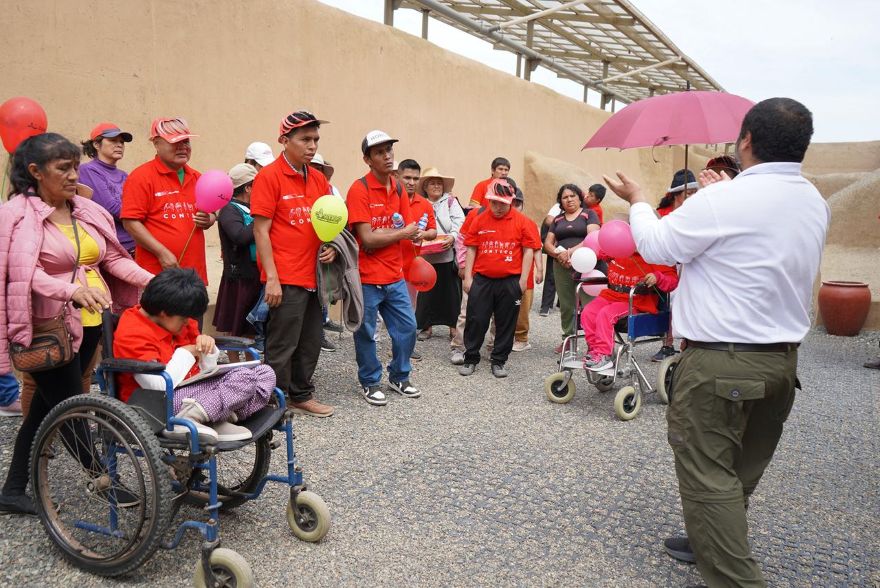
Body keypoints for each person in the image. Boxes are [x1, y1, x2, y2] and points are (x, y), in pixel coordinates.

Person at [604, 97, 830, 587]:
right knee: (740, 467)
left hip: (721, 363)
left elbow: (657, 245)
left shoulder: (722, 200)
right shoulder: (813, 201)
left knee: (709, 478)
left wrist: (639, 199)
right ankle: (708, 533)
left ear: (746, 140)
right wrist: (718, 198)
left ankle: (731, 570)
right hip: (780, 365)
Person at [0, 133, 153, 515]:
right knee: (72, 409)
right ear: (35, 172)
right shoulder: (16, 215)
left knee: (44, 409)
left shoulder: (84, 210)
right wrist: (69, 292)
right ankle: (104, 480)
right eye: (63, 168)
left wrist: (153, 280)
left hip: (88, 325)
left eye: (75, 167)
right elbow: (22, 273)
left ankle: (12, 490)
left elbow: (110, 260)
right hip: (45, 327)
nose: (73, 175)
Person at [114, 269, 274, 443]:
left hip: (195, 391)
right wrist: (187, 353)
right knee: (244, 378)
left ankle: (216, 416)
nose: (187, 323)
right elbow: (157, 385)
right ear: (164, 312)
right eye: (183, 319)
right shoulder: (132, 331)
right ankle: (192, 418)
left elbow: (206, 370)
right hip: (159, 403)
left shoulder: (177, 317)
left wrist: (208, 350)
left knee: (265, 373)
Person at [251, 110, 337, 417]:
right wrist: (271, 278)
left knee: (310, 340)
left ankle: (301, 394)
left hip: (315, 274)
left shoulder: (316, 178)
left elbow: (327, 223)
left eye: (315, 139)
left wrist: (331, 249)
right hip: (286, 276)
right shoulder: (268, 177)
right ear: (284, 141)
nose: (312, 145)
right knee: (281, 344)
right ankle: (273, 400)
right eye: (305, 139)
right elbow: (260, 230)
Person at [346, 130, 423, 406]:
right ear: (367, 159)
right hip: (366, 278)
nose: (387, 155)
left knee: (408, 328)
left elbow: (409, 228)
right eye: (379, 152)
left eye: (389, 150)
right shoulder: (359, 189)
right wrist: (396, 234)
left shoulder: (398, 186)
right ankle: (369, 381)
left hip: (394, 274)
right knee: (365, 332)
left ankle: (399, 376)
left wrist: (389, 235)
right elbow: (367, 238)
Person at [459, 179, 541, 378]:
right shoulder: (479, 218)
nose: (497, 207)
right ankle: (470, 357)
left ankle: (499, 360)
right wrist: (468, 277)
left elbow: (528, 251)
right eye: (493, 202)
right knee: (476, 319)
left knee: (506, 322)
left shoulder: (522, 222)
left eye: (502, 203)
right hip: (483, 279)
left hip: (510, 281)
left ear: (511, 201)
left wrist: (522, 280)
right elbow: (471, 248)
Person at [122, 117, 215, 287]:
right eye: (175, 142)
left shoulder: (198, 178)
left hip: (194, 275)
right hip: (157, 276)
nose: (183, 147)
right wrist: (162, 253)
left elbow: (212, 212)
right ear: (156, 143)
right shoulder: (141, 177)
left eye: (186, 141)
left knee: (194, 314)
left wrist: (209, 219)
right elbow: (131, 222)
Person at [581, 252, 678, 371]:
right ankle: (594, 350)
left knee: (606, 314)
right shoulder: (619, 246)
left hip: (636, 301)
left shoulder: (655, 253)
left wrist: (657, 277)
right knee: (588, 312)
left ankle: (603, 354)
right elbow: (601, 248)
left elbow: (672, 280)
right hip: (611, 295)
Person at [543, 184, 600, 353]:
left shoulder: (589, 214)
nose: (569, 200)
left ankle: (594, 342)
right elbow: (548, 242)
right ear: (560, 201)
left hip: (586, 265)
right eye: (565, 197)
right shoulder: (558, 219)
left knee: (590, 304)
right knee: (567, 305)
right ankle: (568, 338)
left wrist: (569, 253)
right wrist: (557, 255)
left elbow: (592, 237)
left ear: (579, 197)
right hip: (561, 266)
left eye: (572, 196)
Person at [212, 163, 261, 342]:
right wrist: (260, 218)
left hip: (255, 274)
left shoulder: (252, 209)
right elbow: (239, 236)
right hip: (239, 276)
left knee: (249, 326)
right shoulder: (229, 210)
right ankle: (235, 362)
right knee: (234, 323)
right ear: (248, 188)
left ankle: (250, 363)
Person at [414, 166, 463, 343]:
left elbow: (460, 222)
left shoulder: (450, 201)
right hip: (426, 256)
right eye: (432, 183)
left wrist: (453, 236)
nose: (436, 186)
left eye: (439, 183)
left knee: (451, 294)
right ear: (425, 187)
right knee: (427, 293)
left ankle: (453, 327)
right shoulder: (420, 203)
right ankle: (426, 326)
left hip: (447, 255)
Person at [78, 122, 136, 255]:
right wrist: (140, 215)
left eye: (121, 142)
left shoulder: (124, 175)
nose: (119, 145)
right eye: (113, 140)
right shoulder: (88, 170)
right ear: (96, 144)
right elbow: (111, 208)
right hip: (113, 247)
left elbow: (139, 205)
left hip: (135, 243)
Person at [509, 181, 543, 352]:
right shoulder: (502, 222)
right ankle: (506, 337)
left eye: (518, 203)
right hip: (506, 273)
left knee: (522, 308)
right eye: (512, 202)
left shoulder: (528, 223)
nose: (515, 206)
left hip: (525, 274)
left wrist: (540, 269)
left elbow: (536, 248)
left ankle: (522, 337)